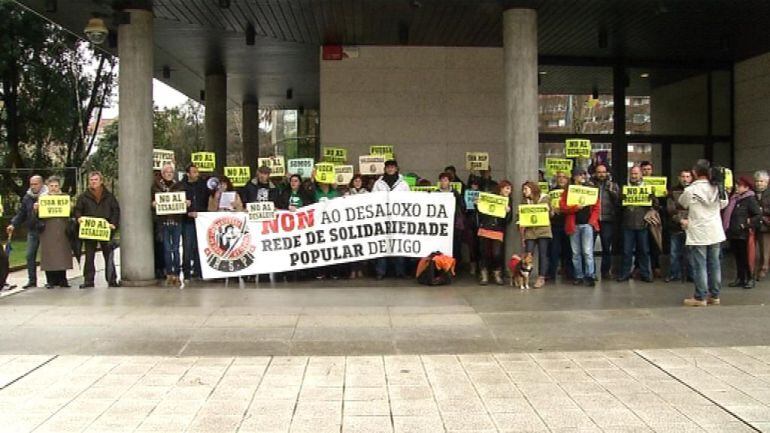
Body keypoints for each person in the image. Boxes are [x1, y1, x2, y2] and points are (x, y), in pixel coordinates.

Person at [679, 159, 728, 306]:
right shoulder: (718, 188)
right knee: (715, 264)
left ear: (694, 172)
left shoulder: (691, 190)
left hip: (699, 231)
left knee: (700, 265)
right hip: (715, 230)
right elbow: (723, 203)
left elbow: (683, 202)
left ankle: (700, 297)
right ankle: (715, 295)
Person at [74, 171, 120, 288]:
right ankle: (88, 281)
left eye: (95, 180)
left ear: (101, 181)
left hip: (105, 230)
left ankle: (112, 280)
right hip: (90, 231)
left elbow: (115, 210)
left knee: (108, 256)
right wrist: (78, 218)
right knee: (89, 256)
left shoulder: (109, 196)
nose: (93, 182)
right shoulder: (83, 197)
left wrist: (113, 224)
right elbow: (77, 210)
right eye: (91, 180)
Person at [560, 168, 601, 286]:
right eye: (579, 175)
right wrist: (575, 208)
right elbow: (563, 207)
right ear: (574, 177)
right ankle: (578, 275)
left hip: (587, 224)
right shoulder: (568, 191)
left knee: (588, 252)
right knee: (576, 253)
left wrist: (592, 221)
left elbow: (597, 207)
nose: (581, 177)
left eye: (583, 175)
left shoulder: (590, 189)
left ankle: (590, 275)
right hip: (574, 225)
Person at [371, 160, 410, 280]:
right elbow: (372, 199)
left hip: (398, 219)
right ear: (385, 169)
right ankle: (380, 271)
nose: (390, 169)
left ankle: (400, 271)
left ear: (397, 168)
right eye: (388, 167)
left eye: (392, 167)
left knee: (399, 244)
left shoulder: (403, 184)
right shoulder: (378, 184)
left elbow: (409, 200)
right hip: (382, 218)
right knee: (382, 245)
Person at [152, 163, 189, 287]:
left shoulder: (179, 186)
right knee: (167, 249)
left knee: (176, 249)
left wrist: (186, 203)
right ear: (162, 173)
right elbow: (152, 201)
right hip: (163, 222)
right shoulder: (156, 186)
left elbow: (184, 199)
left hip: (177, 221)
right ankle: (169, 273)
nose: (169, 174)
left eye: (171, 172)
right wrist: (153, 204)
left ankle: (177, 275)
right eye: (166, 172)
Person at [617, 166, 656, 283]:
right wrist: (621, 198)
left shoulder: (647, 188)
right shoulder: (625, 188)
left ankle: (645, 274)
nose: (634, 176)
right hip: (627, 224)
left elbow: (656, 205)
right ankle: (625, 273)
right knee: (626, 251)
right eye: (632, 174)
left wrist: (652, 199)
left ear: (641, 175)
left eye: (636, 174)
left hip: (642, 224)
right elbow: (618, 205)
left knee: (644, 250)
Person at [6, 175, 46, 288]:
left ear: (41, 184)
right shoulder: (27, 197)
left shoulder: (48, 196)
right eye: (31, 184)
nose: (33, 187)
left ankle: (51, 280)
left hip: (46, 229)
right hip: (33, 229)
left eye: (35, 184)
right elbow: (22, 213)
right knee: (29, 255)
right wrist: (13, 224)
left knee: (47, 255)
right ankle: (32, 280)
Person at [723, 176, 762, 289]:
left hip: (743, 233)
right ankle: (740, 278)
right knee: (738, 257)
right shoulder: (734, 198)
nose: (736, 187)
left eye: (739, 185)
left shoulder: (750, 199)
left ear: (746, 187)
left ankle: (750, 278)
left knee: (746, 257)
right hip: (733, 232)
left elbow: (757, 214)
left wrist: (746, 224)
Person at [35, 176, 73, 289]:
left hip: (62, 229)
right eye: (51, 186)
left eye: (56, 186)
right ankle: (50, 280)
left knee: (62, 254)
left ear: (59, 187)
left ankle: (63, 279)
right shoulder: (43, 198)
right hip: (47, 229)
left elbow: (71, 213)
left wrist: (71, 207)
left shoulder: (65, 198)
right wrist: (36, 209)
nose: (54, 188)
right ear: (48, 186)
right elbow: (36, 217)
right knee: (49, 255)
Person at [477, 180, 513, 285]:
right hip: (486, 227)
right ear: (501, 188)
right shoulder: (490, 196)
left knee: (496, 253)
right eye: (507, 188)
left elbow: (508, 220)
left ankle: (497, 274)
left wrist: (508, 212)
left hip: (498, 229)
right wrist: (478, 205)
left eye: (510, 189)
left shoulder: (508, 200)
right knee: (484, 252)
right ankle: (484, 275)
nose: (508, 191)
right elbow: (481, 212)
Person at [520, 181, 551, 288]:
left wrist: (549, 210)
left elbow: (551, 213)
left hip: (543, 230)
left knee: (543, 254)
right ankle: (525, 276)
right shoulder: (525, 201)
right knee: (529, 253)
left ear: (532, 189)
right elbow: (520, 215)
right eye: (523, 189)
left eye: (526, 189)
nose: (524, 192)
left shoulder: (545, 198)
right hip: (530, 231)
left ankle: (541, 277)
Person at [181, 164, 208, 281]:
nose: (197, 174)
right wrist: (188, 211)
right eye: (194, 172)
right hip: (187, 220)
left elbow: (208, 199)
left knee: (199, 247)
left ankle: (198, 271)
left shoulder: (203, 185)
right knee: (187, 247)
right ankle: (186, 272)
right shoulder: (182, 186)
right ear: (188, 174)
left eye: (197, 172)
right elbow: (178, 202)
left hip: (200, 220)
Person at [592, 163, 619, 279]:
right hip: (593, 219)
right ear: (595, 173)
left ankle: (605, 271)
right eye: (599, 172)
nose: (601, 174)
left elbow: (619, 201)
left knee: (606, 247)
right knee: (589, 247)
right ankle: (591, 272)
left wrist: (611, 191)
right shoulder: (590, 185)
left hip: (608, 219)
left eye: (603, 172)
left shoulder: (613, 185)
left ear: (607, 173)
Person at [666, 169, 693, 283]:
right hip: (676, 226)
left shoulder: (695, 191)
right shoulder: (673, 191)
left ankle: (691, 275)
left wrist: (689, 221)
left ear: (691, 178)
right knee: (674, 253)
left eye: (687, 176)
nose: (685, 179)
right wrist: (681, 220)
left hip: (691, 227)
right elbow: (671, 209)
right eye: (683, 176)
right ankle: (674, 274)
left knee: (691, 254)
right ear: (679, 178)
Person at [547, 171, 574, 282]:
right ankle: (551, 273)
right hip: (555, 224)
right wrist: (551, 210)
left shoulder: (572, 191)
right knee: (554, 250)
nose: (562, 179)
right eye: (559, 177)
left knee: (569, 250)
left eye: (564, 177)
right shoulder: (551, 191)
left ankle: (569, 273)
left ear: (568, 179)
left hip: (568, 223)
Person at [640, 160, 662, 277]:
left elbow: (662, 200)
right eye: (644, 169)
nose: (646, 171)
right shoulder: (637, 183)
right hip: (640, 216)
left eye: (648, 169)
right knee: (641, 244)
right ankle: (639, 267)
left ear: (652, 170)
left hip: (654, 216)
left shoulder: (658, 182)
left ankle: (656, 266)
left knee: (654, 242)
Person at [438, 172, 466, 261]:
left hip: (454, 223)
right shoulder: (436, 193)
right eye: (442, 180)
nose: (443, 182)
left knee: (455, 245)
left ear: (449, 182)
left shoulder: (455, 193)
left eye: (445, 180)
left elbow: (462, 206)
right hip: (441, 224)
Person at [346, 175, 369, 279]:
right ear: (352, 182)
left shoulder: (368, 194)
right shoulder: (347, 194)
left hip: (363, 225)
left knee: (361, 249)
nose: (357, 183)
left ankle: (360, 270)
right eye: (356, 181)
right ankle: (352, 270)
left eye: (359, 181)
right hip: (351, 225)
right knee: (352, 249)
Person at [753, 170, 770, 280]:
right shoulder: (752, 193)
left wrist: (762, 210)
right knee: (756, 250)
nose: (759, 183)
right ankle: (755, 269)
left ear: (767, 182)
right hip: (755, 224)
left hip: (766, 225)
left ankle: (764, 268)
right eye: (757, 181)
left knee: (765, 249)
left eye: (761, 181)